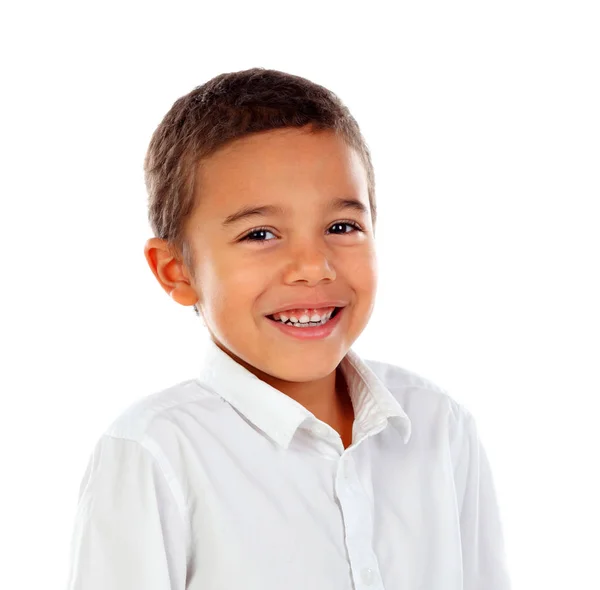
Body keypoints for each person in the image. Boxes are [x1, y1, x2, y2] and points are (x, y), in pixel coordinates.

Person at [65, 68, 512, 589]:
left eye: (341, 227)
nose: (313, 266)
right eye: (260, 234)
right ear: (177, 270)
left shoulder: (440, 427)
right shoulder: (155, 451)